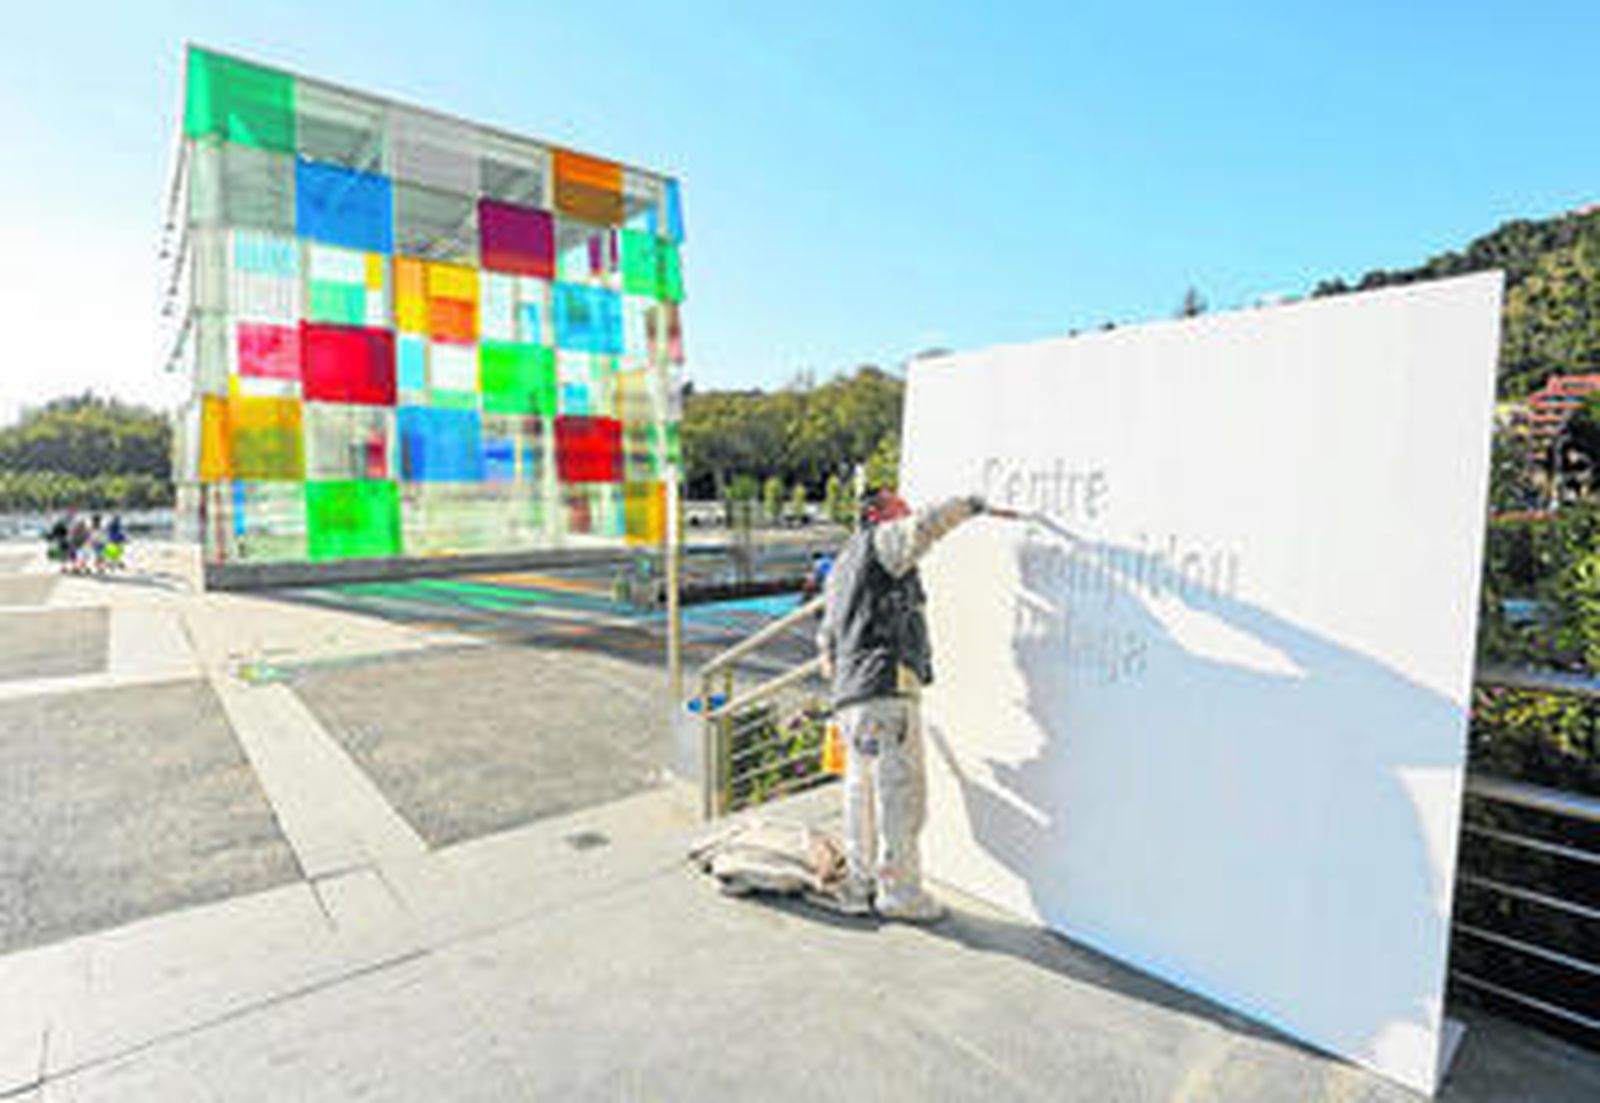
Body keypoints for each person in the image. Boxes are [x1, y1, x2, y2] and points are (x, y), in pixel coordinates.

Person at [815, 487, 986, 921]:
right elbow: (926, 527)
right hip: (885, 688)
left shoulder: (841, 567)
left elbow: (825, 643)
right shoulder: (881, 541)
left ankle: (860, 884)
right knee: (900, 794)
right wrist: (970, 505)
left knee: (862, 795)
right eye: (898, 505)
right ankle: (900, 893)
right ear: (876, 513)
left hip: (851, 696)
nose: (906, 509)